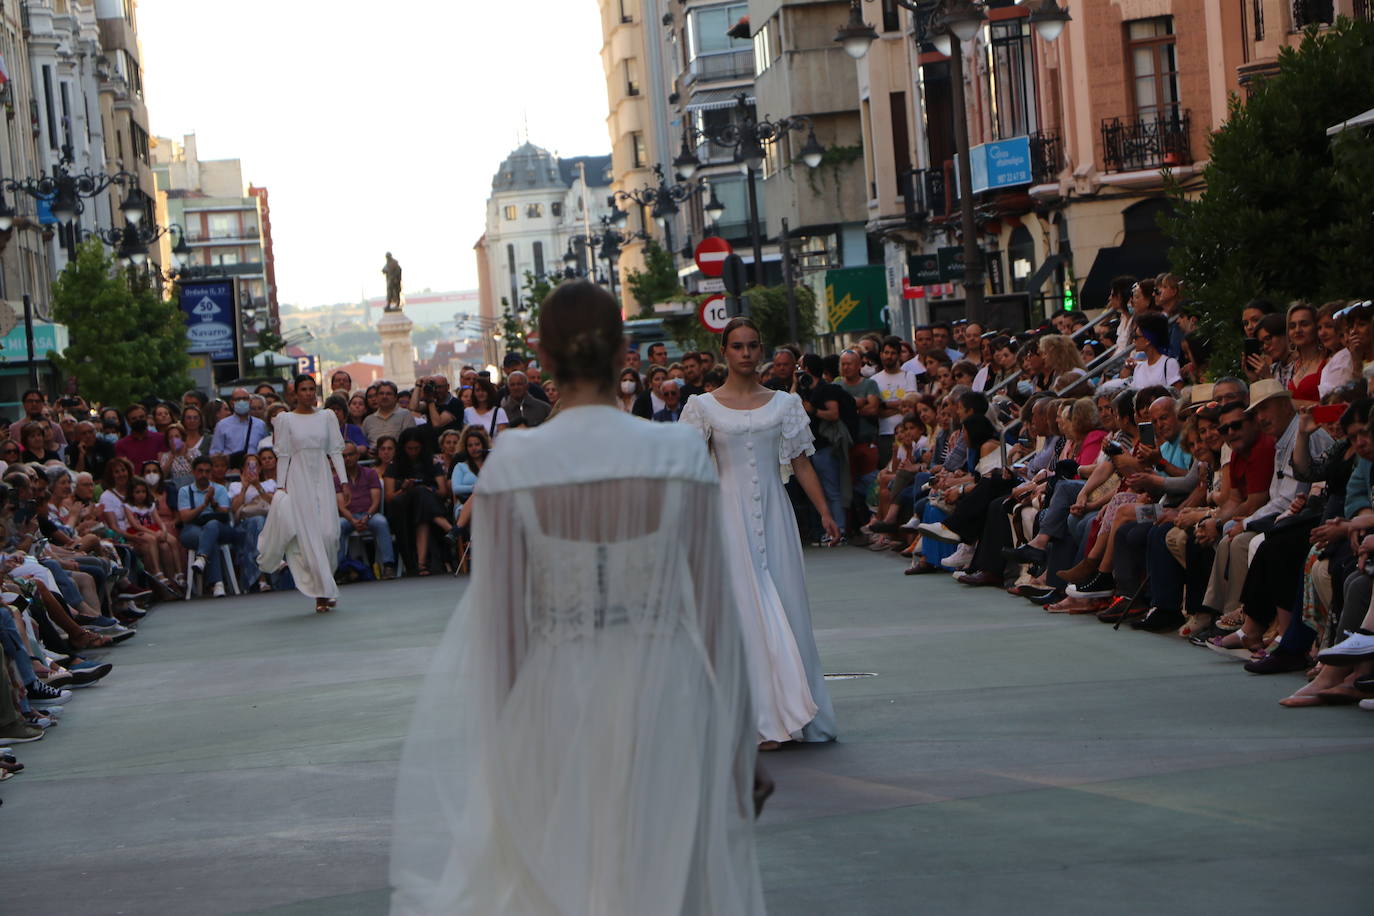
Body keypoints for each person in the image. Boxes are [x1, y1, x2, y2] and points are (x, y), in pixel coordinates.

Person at [390, 280, 764, 915]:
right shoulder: (676, 452)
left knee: (567, 880)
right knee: (663, 878)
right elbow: (718, 618)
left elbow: (502, 629)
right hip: (668, 693)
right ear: (623, 351)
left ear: (542, 356)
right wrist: (740, 749)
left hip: (555, 692)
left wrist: (502, 753)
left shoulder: (514, 461)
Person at [680, 316, 840, 748]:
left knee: (787, 607)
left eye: (752, 345)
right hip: (725, 518)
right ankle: (754, 718)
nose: (746, 353)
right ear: (724, 351)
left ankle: (795, 716)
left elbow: (801, 460)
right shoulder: (702, 407)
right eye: (737, 346)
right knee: (744, 613)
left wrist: (825, 511)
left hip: (776, 514)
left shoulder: (785, 405)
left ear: (762, 350)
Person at [256, 374, 349, 613]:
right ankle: (321, 593)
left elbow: (336, 451)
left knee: (329, 534)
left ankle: (327, 582)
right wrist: (280, 486)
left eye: (311, 389)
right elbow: (284, 455)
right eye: (303, 390)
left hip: (322, 476)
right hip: (298, 479)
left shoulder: (327, 417)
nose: (308, 393)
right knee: (308, 537)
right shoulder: (285, 420)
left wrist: (344, 481)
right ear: (295, 394)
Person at [178, 456, 237, 598]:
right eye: (200, 471)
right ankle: (217, 584)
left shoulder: (220, 489)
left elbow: (224, 513)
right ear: (193, 472)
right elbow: (185, 517)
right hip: (192, 528)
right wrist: (204, 505)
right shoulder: (185, 491)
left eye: (207, 471)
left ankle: (202, 558)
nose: (203, 475)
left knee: (212, 527)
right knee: (211, 540)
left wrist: (213, 502)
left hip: (219, 527)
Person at [335, 441, 394, 579]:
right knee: (338, 526)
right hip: (348, 517)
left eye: (350, 455)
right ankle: (340, 569)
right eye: (343, 456)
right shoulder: (337, 479)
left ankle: (388, 565)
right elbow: (341, 506)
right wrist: (353, 521)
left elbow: (376, 501)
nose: (347, 458)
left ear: (357, 455)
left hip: (369, 514)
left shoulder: (370, 473)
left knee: (381, 522)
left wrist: (367, 517)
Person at [208, 388, 268, 457]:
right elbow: (215, 452)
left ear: (250, 402)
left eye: (245, 399)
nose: (242, 402)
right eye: (238, 399)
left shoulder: (260, 425)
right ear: (231, 403)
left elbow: (265, 449)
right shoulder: (222, 425)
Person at [361, 380, 416, 450]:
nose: (384, 396)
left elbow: (410, 442)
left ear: (395, 397)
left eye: (388, 394)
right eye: (381, 393)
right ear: (377, 397)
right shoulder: (368, 420)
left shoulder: (405, 415)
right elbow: (364, 444)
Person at [115, 403, 167, 468]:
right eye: (134, 419)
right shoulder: (120, 445)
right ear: (128, 422)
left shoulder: (161, 438)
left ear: (146, 417)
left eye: (141, 417)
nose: (138, 420)